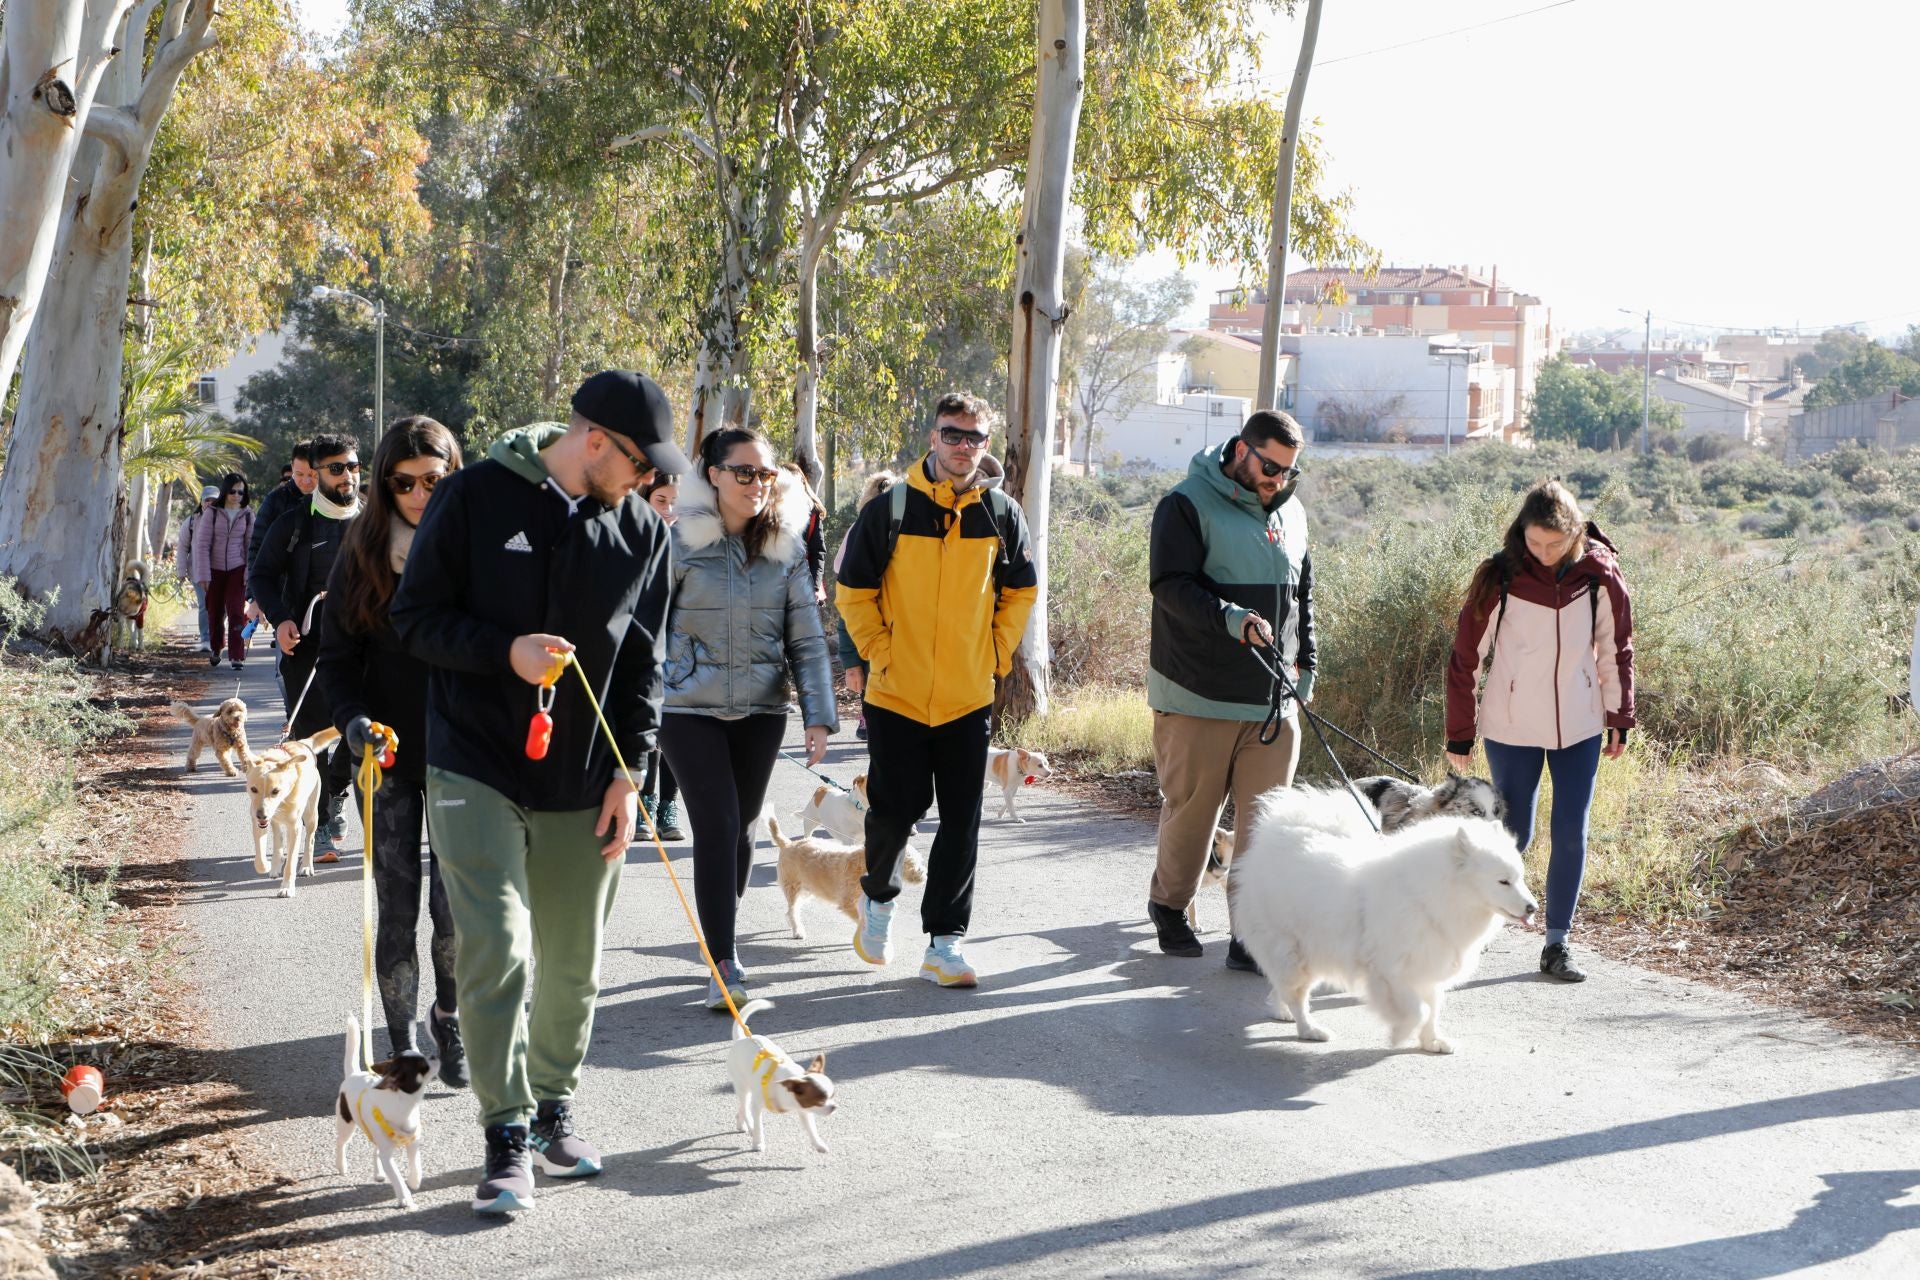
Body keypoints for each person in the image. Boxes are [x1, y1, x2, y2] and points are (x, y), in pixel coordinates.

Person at [390, 370, 683, 1216]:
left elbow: (643, 669)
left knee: (574, 967)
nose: (648, 482)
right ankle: (506, 1132)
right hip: (473, 764)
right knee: (501, 950)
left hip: (587, 778)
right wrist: (504, 652)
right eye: (639, 463)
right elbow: (416, 619)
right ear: (595, 441)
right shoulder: (473, 497)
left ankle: (556, 1108)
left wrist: (632, 773)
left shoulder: (643, 532)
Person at [836, 392, 1038, 988]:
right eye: (953, 434)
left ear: (986, 444)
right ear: (933, 436)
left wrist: (996, 657)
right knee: (894, 812)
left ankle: (945, 944)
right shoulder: (891, 509)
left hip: (967, 697)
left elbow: (1020, 592)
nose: (963, 447)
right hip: (896, 695)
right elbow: (853, 589)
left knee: (962, 821)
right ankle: (878, 900)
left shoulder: (1001, 514)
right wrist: (880, 652)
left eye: (975, 438)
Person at [660, 428, 837, 1011]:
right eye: (743, 472)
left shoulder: (784, 548)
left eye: (765, 474)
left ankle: (721, 939)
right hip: (688, 709)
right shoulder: (678, 543)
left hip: (761, 712)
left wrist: (819, 715)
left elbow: (807, 640)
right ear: (711, 474)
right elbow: (643, 631)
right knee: (716, 823)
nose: (757, 484)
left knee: (740, 832)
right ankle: (724, 962)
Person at [316, 416, 468, 1085]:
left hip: (466, 753)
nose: (418, 493)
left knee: (455, 912)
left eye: (433, 480)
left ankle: (451, 1019)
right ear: (383, 484)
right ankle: (403, 1040)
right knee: (399, 903)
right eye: (402, 482)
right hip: (386, 755)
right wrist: (353, 724)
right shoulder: (360, 552)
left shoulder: (479, 549)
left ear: (452, 474)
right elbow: (336, 661)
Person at [1444, 479, 1635, 984]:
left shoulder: (1599, 574)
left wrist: (1619, 717)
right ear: (1520, 533)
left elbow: (1616, 650)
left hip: (1581, 724)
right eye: (1535, 543)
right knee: (1515, 834)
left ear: (1575, 533)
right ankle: (1463, 930)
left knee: (1571, 830)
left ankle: (1557, 944)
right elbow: (1466, 657)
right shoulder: (1500, 576)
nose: (1545, 553)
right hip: (1511, 725)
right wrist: (1459, 731)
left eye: (1555, 544)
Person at [1145, 409, 1316, 967]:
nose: (1278, 481)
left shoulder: (1293, 515)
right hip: (1198, 692)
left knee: (1265, 825)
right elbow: (1170, 585)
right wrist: (1229, 615)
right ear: (1242, 449)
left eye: (1289, 472)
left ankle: (1248, 934)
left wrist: (1306, 666)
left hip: (1274, 700)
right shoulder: (1185, 504)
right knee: (1193, 812)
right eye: (1270, 467)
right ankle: (1170, 907)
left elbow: (1302, 600)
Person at [252, 433, 362, 862]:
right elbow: (261, 575)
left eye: (353, 466)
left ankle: (334, 795)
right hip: (307, 646)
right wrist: (281, 619)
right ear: (316, 474)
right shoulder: (294, 523)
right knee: (309, 740)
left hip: (363, 646)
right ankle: (314, 828)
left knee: (357, 733)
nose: (348, 475)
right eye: (337, 468)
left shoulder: (373, 519)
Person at [832, 470, 898, 743]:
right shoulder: (860, 533)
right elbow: (849, 608)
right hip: (874, 641)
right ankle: (869, 717)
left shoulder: (916, 534)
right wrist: (851, 664)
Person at [640, 473, 685, 842]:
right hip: (642, 653)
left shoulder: (690, 543)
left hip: (681, 655)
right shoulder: (631, 538)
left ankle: (668, 804)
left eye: (675, 502)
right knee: (646, 730)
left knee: (671, 733)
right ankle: (644, 801)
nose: (669, 510)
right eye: (660, 500)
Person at [193, 473, 255, 671]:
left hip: (237, 568)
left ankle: (237, 655)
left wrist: (248, 573)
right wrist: (203, 575)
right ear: (225, 491)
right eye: (233, 491)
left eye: (241, 492)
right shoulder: (212, 512)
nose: (237, 495)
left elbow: (250, 546)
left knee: (237, 612)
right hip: (214, 569)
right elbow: (202, 545)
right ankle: (216, 648)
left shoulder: (247, 514)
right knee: (215, 611)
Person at [177, 484, 219, 653]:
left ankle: (217, 636)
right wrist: (181, 572)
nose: (210, 503)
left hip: (220, 571)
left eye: (214, 500)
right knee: (205, 605)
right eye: (207, 500)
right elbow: (182, 548)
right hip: (198, 571)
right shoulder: (191, 522)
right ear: (201, 502)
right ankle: (206, 639)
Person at [779, 460, 829, 602]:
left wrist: (813, 587)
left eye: (798, 482)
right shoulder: (768, 513)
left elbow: (818, 553)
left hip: (805, 583)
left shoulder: (813, 513)